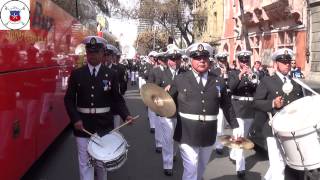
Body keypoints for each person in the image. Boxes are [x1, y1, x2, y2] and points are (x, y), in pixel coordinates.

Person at [64, 36, 134, 180]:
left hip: (104, 126)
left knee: (102, 163)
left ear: (102, 53)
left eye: (96, 52)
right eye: (90, 52)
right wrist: (75, 119)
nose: (93, 55)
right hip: (82, 125)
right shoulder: (77, 74)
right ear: (86, 53)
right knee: (85, 163)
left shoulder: (111, 74)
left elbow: (117, 99)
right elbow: (69, 100)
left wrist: (125, 115)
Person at [168, 43, 239, 180]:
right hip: (187, 132)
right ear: (190, 60)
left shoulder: (218, 80)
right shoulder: (180, 79)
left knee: (201, 167)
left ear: (209, 60)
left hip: (208, 132)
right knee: (191, 167)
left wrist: (235, 125)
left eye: (205, 57)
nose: (201, 60)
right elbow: (169, 102)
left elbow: (227, 105)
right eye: (197, 57)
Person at [254, 48, 304, 180]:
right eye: (283, 61)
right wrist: (272, 104)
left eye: (288, 61)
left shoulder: (296, 83)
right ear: (276, 64)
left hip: (291, 130)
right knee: (278, 165)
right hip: (273, 130)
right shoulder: (267, 81)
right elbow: (256, 102)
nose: (287, 64)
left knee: (285, 162)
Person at [156, 44, 186, 176]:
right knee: (167, 139)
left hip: (182, 111)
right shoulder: (161, 74)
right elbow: (154, 93)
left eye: (177, 59)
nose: (175, 62)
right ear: (168, 60)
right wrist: (163, 91)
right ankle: (167, 164)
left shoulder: (186, 74)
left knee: (177, 138)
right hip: (167, 112)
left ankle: (173, 154)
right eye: (172, 59)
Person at [228, 50, 257, 178]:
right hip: (237, 108)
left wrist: (252, 76)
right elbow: (232, 87)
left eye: (246, 61)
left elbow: (257, 89)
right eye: (242, 61)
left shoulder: (253, 74)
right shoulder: (233, 73)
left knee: (243, 137)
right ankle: (241, 167)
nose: (245, 63)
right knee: (240, 138)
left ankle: (233, 153)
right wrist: (240, 74)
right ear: (238, 62)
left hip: (249, 109)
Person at [211, 52, 233, 155]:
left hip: (230, 99)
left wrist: (227, 74)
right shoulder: (214, 71)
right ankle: (219, 145)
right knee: (219, 124)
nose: (223, 62)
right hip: (220, 101)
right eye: (221, 60)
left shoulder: (231, 71)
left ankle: (223, 142)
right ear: (218, 61)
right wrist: (221, 75)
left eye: (224, 60)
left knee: (226, 123)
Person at [104, 44, 128, 129]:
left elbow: (124, 84)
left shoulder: (119, 69)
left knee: (115, 131)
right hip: (103, 107)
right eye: (104, 55)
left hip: (114, 104)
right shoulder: (100, 70)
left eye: (108, 55)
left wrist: (117, 88)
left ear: (112, 57)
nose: (106, 58)